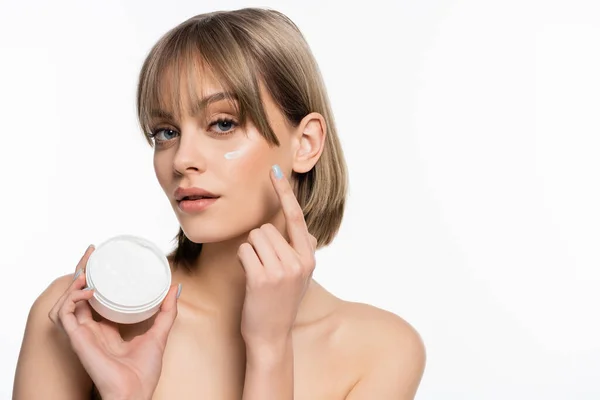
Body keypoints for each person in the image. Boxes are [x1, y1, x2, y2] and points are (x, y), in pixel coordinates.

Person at [13, 7, 425, 399]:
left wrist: (269, 349)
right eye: (166, 132)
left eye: (222, 123)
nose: (182, 159)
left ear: (306, 143)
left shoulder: (382, 352)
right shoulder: (78, 318)